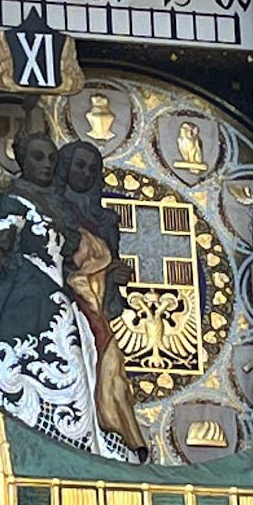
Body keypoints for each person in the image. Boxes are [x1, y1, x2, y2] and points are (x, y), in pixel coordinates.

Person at [0, 133, 140, 461]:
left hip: (56, 296)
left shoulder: (56, 206)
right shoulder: (13, 201)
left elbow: (76, 258)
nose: (46, 165)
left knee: (75, 364)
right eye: (38, 157)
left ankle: (73, 443)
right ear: (22, 161)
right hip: (19, 295)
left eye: (52, 159)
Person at [56, 140, 145, 453]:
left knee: (103, 363)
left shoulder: (106, 221)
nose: (85, 172)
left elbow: (107, 260)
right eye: (79, 165)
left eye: (92, 169)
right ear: (64, 167)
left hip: (96, 301)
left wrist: (114, 276)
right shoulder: (53, 208)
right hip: (65, 301)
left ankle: (107, 423)